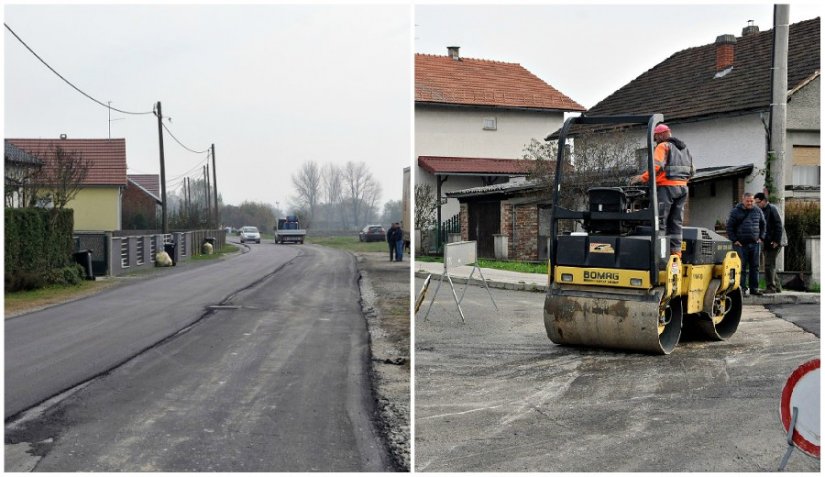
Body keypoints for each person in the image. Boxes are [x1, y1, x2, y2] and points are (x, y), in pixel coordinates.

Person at [630, 123, 693, 258]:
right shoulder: (684, 148)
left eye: (655, 137)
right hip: (682, 189)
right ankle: (676, 255)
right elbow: (692, 171)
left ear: (660, 135)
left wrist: (642, 178)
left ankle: (660, 256)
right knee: (676, 222)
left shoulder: (663, 146)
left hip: (667, 188)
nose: (655, 140)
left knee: (660, 222)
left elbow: (656, 167)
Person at [726, 192, 766, 296]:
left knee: (755, 267)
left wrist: (761, 237)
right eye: (747, 201)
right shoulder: (735, 212)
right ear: (743, 200)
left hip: (755, 244)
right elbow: (729, 227)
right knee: (741, 267)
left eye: (751, 201)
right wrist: (734, 240)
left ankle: (754, 288)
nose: (749, 203)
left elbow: (763, 225)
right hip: (740, 245)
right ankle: (742, 289)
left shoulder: (758, 210)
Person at [754, 192, 783, 293]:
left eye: (758, 202)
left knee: (768, 265)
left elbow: (779, 226)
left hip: (773, 242)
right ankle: (777, 287)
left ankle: (771, 288)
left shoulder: (772, 209)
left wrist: (776, 241)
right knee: (771, 265)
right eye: (756, 202)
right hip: (767, 241)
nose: (756, 204)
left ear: (764, 201)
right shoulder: (761, 210)